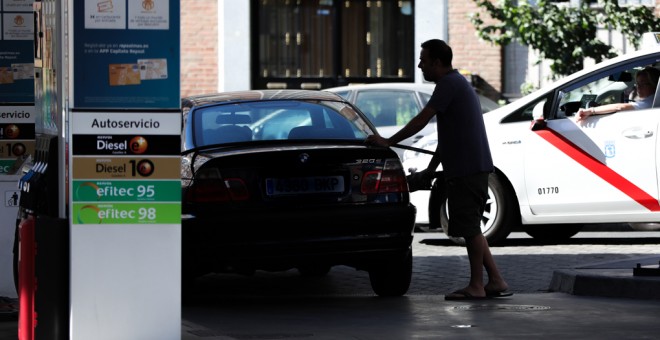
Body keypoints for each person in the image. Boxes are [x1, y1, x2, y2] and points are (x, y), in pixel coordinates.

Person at [365, 39, 510, 300]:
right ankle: (496, 280)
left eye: (424, 59)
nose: (420, 64)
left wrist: (388, 141)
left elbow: (422, 119)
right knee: (472, 227)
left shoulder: (448, 85)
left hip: (467, 170)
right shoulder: (456, 84)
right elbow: (449, 137)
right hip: (470, 168)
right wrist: (431, 170)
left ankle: (477, 286)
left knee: (470, 229)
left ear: (438, 62)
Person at [576, 66, 660, 122]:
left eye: (643, 83)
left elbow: (619, 107)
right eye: (637, 83)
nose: (638, 87)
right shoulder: (652, 102)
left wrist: (591, 110)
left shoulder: (650, 102)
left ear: (654, 84)